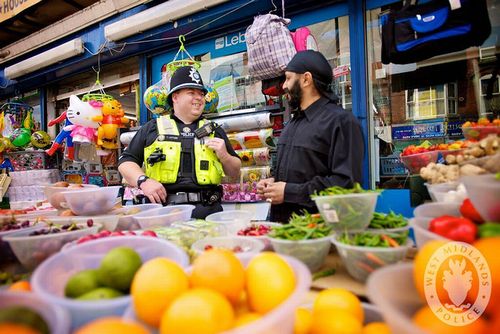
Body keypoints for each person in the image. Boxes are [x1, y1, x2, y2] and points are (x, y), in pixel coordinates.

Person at [118, 66, 241, 219]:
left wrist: (225, 156)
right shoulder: (152, 128)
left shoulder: (214, 130)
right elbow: (126, 161)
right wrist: (143, 181)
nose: (199, 98)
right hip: (163, 214)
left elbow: (234, 173)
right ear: (175, 97)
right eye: (191, 93)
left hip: (209, 214)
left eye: (201, 94)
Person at [257, 50, 364, 223]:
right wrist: (274, 184)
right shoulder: (292, 124)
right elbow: (302, 174)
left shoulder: (342, 122)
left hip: (320, 233)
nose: (283, 86)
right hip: (284, 230)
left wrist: (288, 192)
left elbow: (346, 184)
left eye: (288, 78)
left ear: (306, 79)